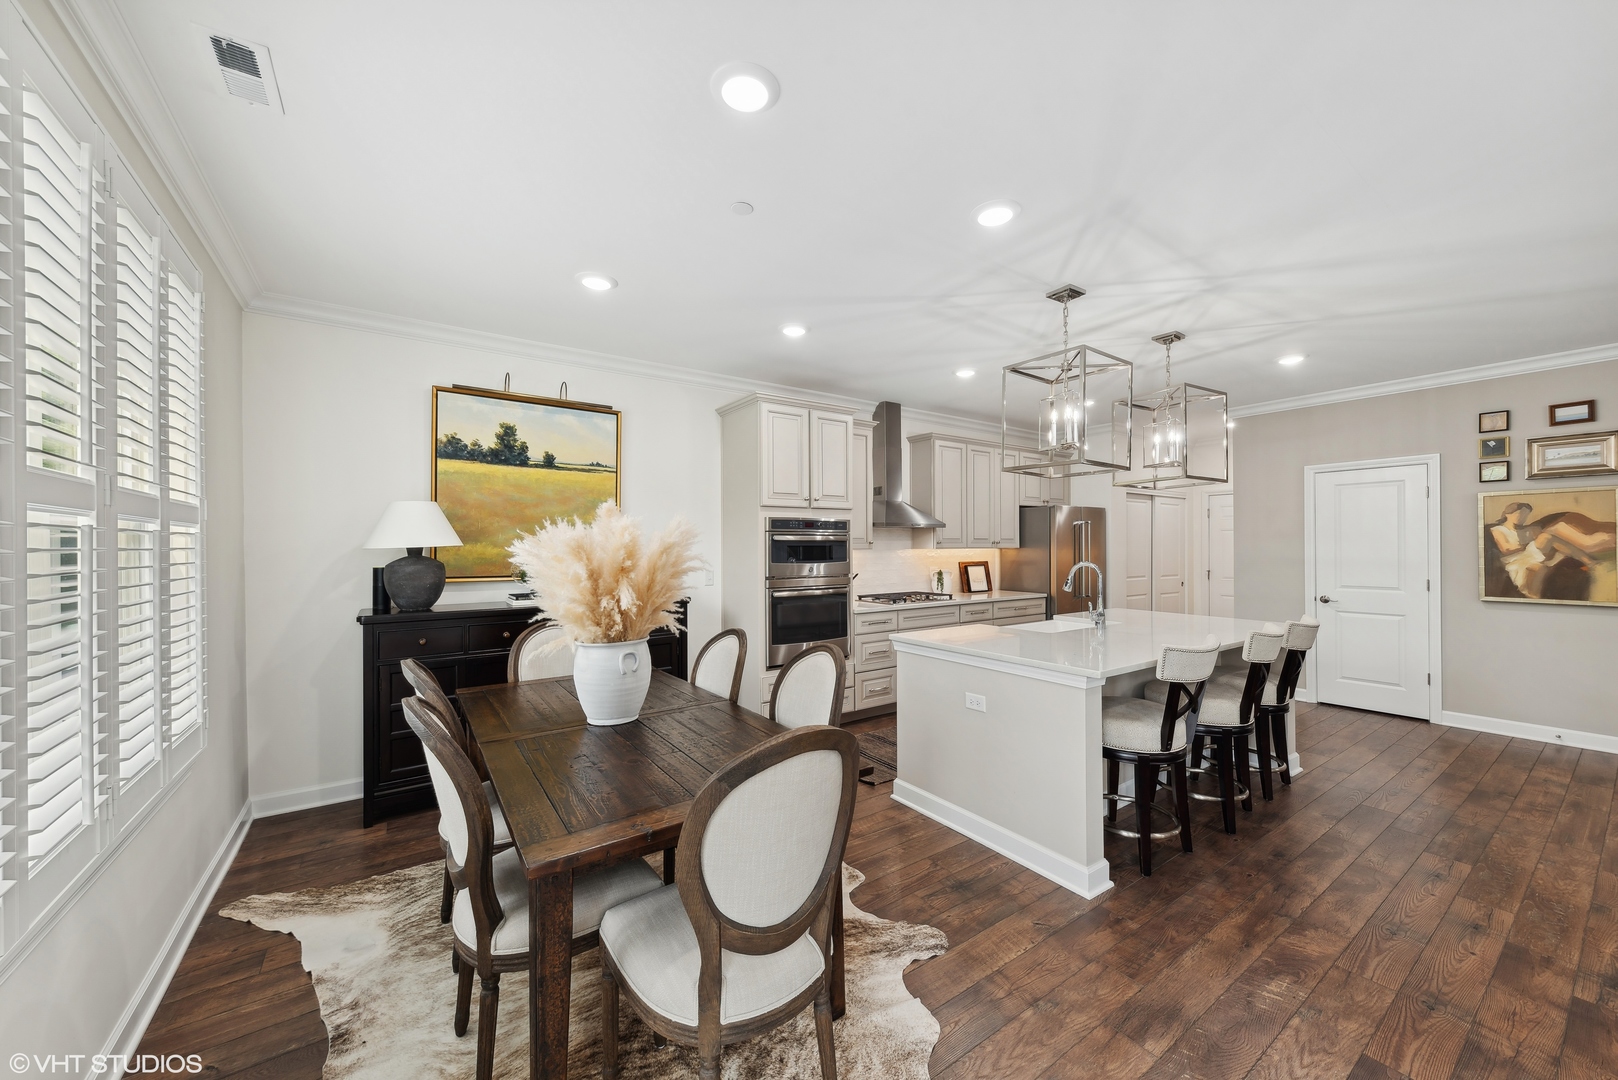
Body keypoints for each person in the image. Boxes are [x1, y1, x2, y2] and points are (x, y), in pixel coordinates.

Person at [1487, 502, 1616, 600]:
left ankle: (1591, 558)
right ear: (1508, 514)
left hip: (1530, 553)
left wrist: (1534, 536)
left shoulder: (1525, 529)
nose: (1522, 517)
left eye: (1525, 514)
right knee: (1548, 536)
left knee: (1552, 535)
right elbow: (1506, 549)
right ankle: (1590, 559)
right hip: (1517, 559)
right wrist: (1529, 542)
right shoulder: (1498, 529)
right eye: (1519, 514)